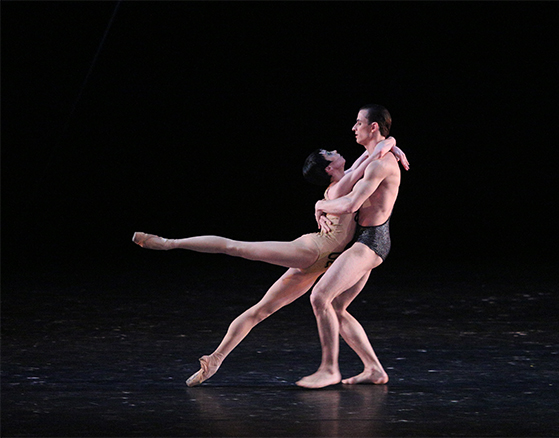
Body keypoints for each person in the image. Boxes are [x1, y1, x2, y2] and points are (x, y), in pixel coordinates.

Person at [132, 138, 409, 387]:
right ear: (328, 168)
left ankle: (215, 359)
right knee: (237, 248)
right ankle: (169, 243)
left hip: (323, 260)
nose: (336, 150)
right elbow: (370, 159)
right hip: (311, 251)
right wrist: (389, 145)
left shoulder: (344, 180)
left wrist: (390, 143)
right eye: (329, 152)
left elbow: (371, 156)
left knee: (261, 310)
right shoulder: (341, 186)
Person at [296, 104, 403, 389]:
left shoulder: (380, 162)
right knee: (339, 307)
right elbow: (356, 170)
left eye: (358, 123)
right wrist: (393, 143)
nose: (353, 128)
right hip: (365, 240)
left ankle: (329, 368)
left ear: (373, 127)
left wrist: (320, 204)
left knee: (320, 297)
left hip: (372, 240)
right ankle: (374, 369)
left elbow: (352, 204)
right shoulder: (373, 155)